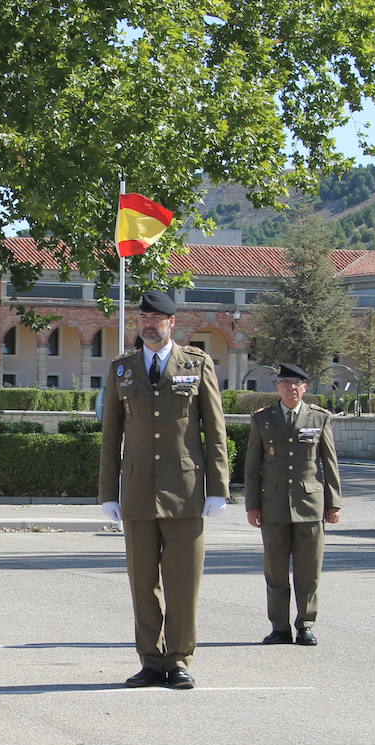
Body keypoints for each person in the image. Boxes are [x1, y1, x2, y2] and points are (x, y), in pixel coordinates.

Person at [99, 290, 230, 690]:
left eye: (156, 319)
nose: (148, 324)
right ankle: (150, 660)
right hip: (137, 488)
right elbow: (111, 435)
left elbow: (215, 429)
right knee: (142, 582)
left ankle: (179, 659)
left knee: (182, 581)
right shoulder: (122, 369)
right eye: (143, 318)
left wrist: (217, 487)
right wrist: (108, 492)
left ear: (173, 323)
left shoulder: (196, 363)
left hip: (186, 489)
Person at [244, 362, 341, 646]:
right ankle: (279, 627)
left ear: (305, 387)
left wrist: (333, 504)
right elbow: (252, 467)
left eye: (297, 384)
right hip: (273, 505)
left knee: (308, 570)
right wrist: (252, 505)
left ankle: (306, 624)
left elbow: (329, 464)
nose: (291, 389)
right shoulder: (263, 419)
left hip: (310, 506)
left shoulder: (319, 418)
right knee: (275, 571)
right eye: (285, 383)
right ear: (277, 387)